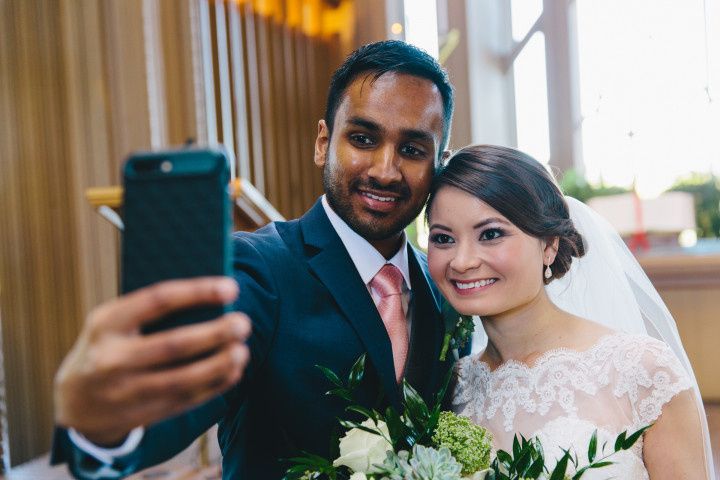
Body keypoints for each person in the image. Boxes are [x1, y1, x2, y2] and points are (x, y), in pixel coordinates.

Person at [52, 40, 457, 479]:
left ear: (440, 164)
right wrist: (103, 427)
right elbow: (179, 404)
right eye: (362, 139)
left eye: (413, 150)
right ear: (323, 142)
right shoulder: (257, 269)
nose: (384, 169)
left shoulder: (444, 287)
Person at [426, 144, 715, 479]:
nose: (462, 262)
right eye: (443, 239)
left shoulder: (642, 372)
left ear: (550, 245)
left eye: (491, 234)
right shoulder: (452, 385)